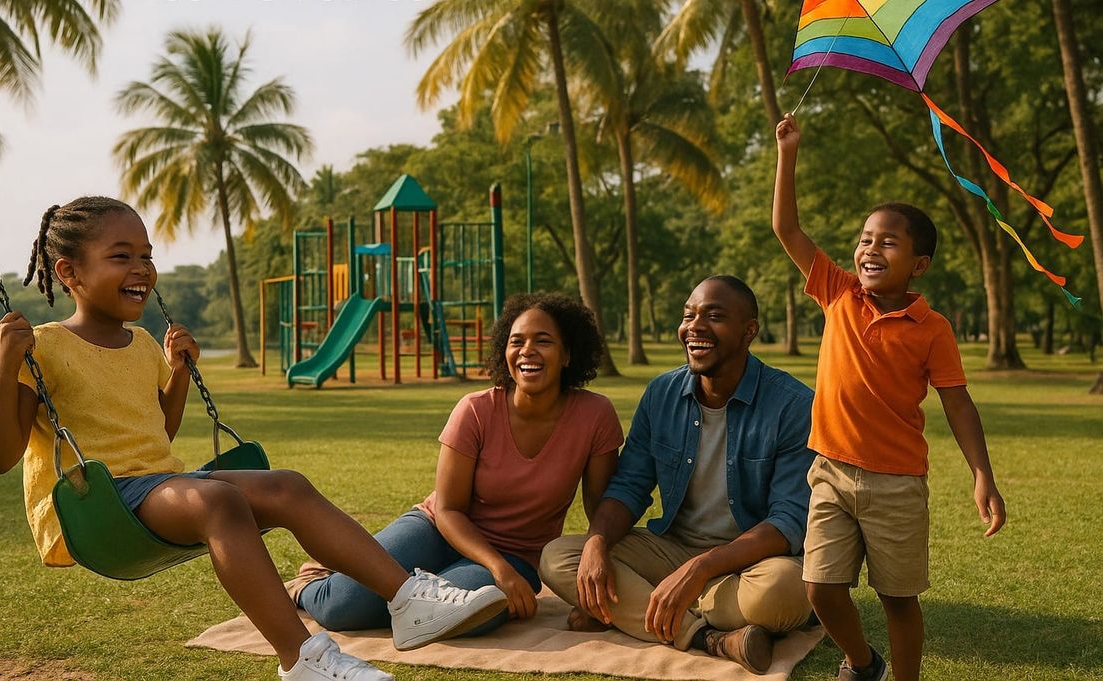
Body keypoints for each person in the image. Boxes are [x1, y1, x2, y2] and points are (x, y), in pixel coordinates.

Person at [0, 196, 507, 681]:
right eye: (121, 256)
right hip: (100, 505)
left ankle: (408, 600)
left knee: (287, 486)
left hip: (160, 484)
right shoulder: (41, 347)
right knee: (219, 499)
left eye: (146, 254)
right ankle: (302, 660)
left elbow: (155, 431)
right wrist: (4, 366)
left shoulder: (139, 343)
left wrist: (178, 373)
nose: (141, 269)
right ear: (69, 271)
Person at [772, 114, 1007, 681]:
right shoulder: (838, 293)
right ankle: (861, 662)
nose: (870, 249)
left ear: (917, 264)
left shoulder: (933, 328)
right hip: (829, 470)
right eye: (865, 239)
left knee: (899, 600)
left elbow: (957, 403)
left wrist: (982, 474)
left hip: (897, 483)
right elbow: (787, 230)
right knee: (819, 587)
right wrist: (788, 154)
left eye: (888, 242)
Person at [294, 292, 623, 637]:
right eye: (517, 341)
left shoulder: (594, 416)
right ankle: (312, 582)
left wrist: (590, 566)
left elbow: (602, 508)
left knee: (453, 613)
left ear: (568, 354)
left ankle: (404, 585)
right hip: (438, 529)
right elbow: (449, 510)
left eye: (543, 341)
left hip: (517, 555)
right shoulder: (475, 410)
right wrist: (496, 568)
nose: (527, 351)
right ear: (504, 351)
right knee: (342, 606)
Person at [540, 276, 816, 675]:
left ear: (748, 331)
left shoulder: (793, 405)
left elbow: (787, 521)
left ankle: (635, 609)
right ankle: (710, 637)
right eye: (689, 315)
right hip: (672, 551)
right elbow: (629, 485)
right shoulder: (662, 393)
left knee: (784, 593)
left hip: (755, 563)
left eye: (714, 316)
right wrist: (598, 543)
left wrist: (700, 569)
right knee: (561, 558)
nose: (695, 327)